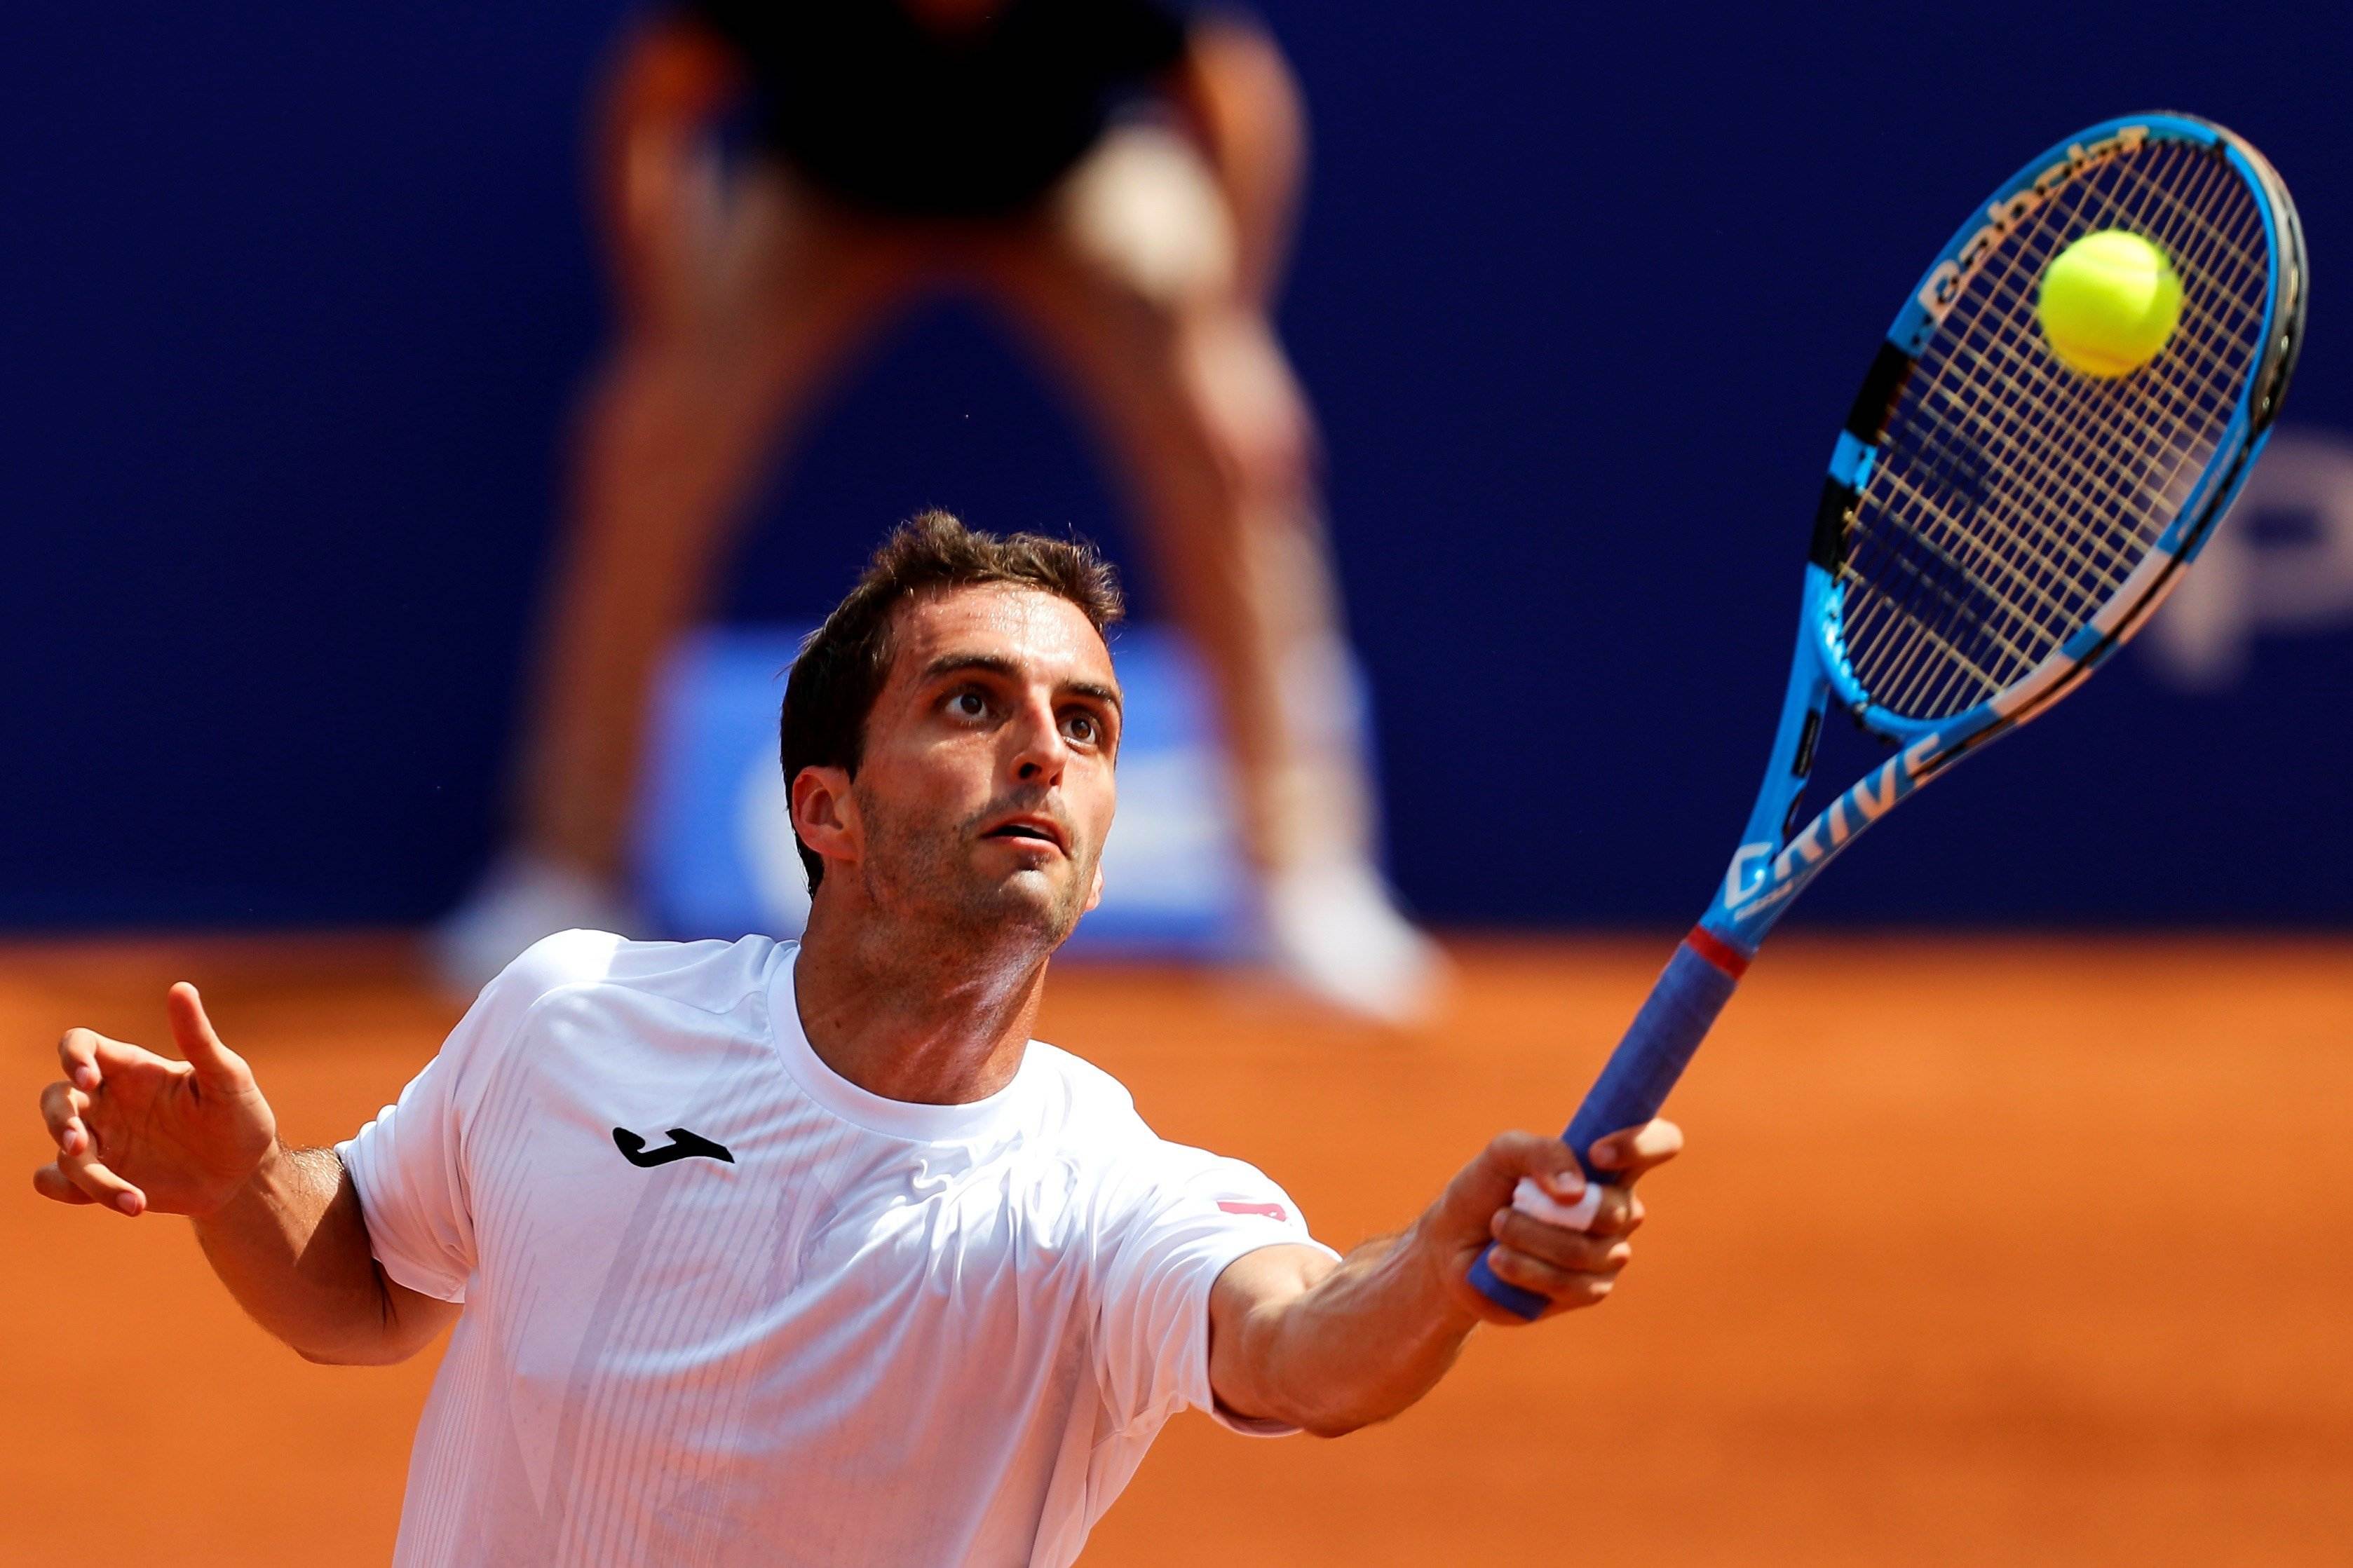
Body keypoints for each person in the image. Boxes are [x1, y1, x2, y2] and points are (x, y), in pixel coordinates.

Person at [36, 516, 1682, 1567]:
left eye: (1088, 725)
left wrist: (1451, 1259)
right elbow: (371, 1286)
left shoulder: (1107, 1194)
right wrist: (243, 1183)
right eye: (974, 702)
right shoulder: (575, 1019)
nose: (1044, 748)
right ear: (826, 808)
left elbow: (1304, 1346)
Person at [436, 0, 1443, 1021]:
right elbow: (655, 99)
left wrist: (1231, 330)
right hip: (823, 192)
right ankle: (562, 871)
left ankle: (1303, 880)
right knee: (650, 442)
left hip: (1075, 180)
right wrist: (664, 332)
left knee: (1227, 437)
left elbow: (1231, 92)